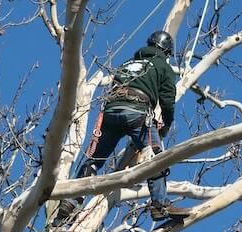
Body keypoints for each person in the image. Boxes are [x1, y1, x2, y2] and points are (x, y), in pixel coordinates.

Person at [63, 30, 178, 219]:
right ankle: (160, 205)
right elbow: (167, 100)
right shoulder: (162, 65)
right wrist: (166, 124)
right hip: (137, 114)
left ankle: (69, 203)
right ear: (166, 51)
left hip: (111, 113)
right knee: (156, 158)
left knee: (94, 160)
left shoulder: (127, 63)